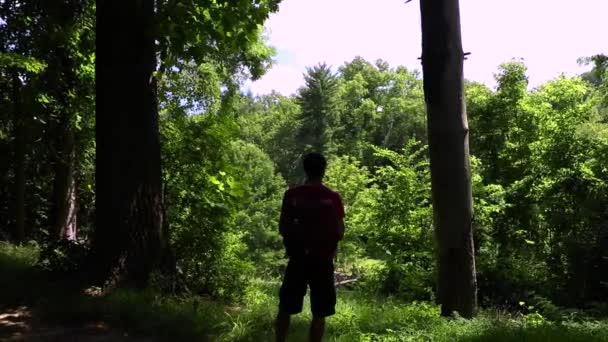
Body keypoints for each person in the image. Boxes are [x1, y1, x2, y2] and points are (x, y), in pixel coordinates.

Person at [275, 152, 345, 342]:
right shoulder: (333, 197)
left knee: (286, 308)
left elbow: (283, 227)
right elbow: (340, 231)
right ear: (324, 170)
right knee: (320, 312)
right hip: (322, 261)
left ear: (305, 169)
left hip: (297, 260)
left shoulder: (291, 195)